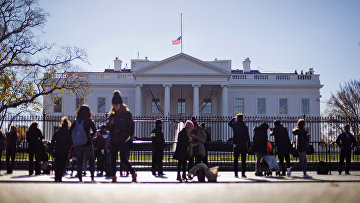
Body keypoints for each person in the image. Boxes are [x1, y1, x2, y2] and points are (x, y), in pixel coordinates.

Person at [106, 90, 137, 183]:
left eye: (116, 105)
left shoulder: (127, 114)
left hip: (123, 139)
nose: (114, 107)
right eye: (113, 105)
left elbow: (129, 126)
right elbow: (108, 127)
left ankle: (133, 172)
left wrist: (117, 124)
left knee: (123, 158)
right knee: (112, 159)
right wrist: (110, 123)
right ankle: (113, 177)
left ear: (120, 104)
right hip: (114, 139)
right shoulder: (112, 114)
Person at [69, 105, 97, 183]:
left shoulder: (75, 121)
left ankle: (80, 179)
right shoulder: (89, 121)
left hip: (78, 144)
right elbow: (94, 130)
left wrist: (74, 139)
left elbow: (70, 131)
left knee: (80, 161)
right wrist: (90, 136)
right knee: (91, 160)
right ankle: (92, 178)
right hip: (87, 143)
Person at [228, 113, 250, 178]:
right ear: (242, 119)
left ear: (237, 118)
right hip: (243, 144)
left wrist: (233, 118)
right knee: (243, 160)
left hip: (236, 144)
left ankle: (236, 173)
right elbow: (247, 136)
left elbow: (229, 123)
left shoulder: (235, 125)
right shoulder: (244, 126)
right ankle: (243, 174)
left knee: (236, 160)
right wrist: (249, 144)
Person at [52, 116, 72, 182]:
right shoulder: (68, 132)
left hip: (57, 149)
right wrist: (69, 147)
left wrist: (53, 147)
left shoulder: (58, 131)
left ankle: (56, 176)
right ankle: (60, 177)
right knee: (62, 164)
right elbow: (71, 142)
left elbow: (53, 139)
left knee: (57, 163)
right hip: (65, 150)